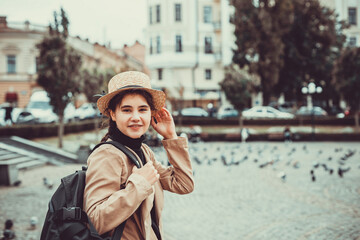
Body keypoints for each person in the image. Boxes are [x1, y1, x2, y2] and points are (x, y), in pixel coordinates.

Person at [83, 71, 194, 239]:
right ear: (113, 114)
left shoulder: (144, 151)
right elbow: (95, 220)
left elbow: (183, 184)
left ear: (151, 113)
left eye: (142, 110)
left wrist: (171, 137)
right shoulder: (106, 155)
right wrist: (140, 184)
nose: (136, 117)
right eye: (127, 110)